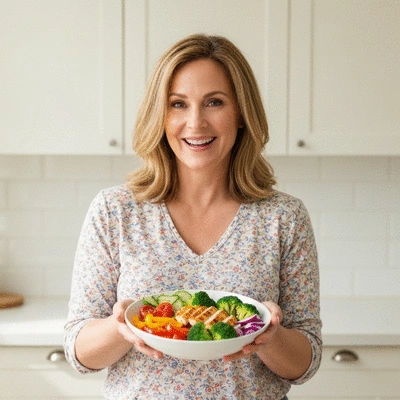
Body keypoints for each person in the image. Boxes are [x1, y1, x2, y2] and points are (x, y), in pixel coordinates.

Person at [64, 34, 322, 400]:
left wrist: (270, 336)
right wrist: (119, 327)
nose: (195, 122)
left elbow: (305, 362)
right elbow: (78, 352)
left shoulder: (283, 218)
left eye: (214, 102)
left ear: (241, 114)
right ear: (160, 115)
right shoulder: (115, 211)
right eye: (178, 104)